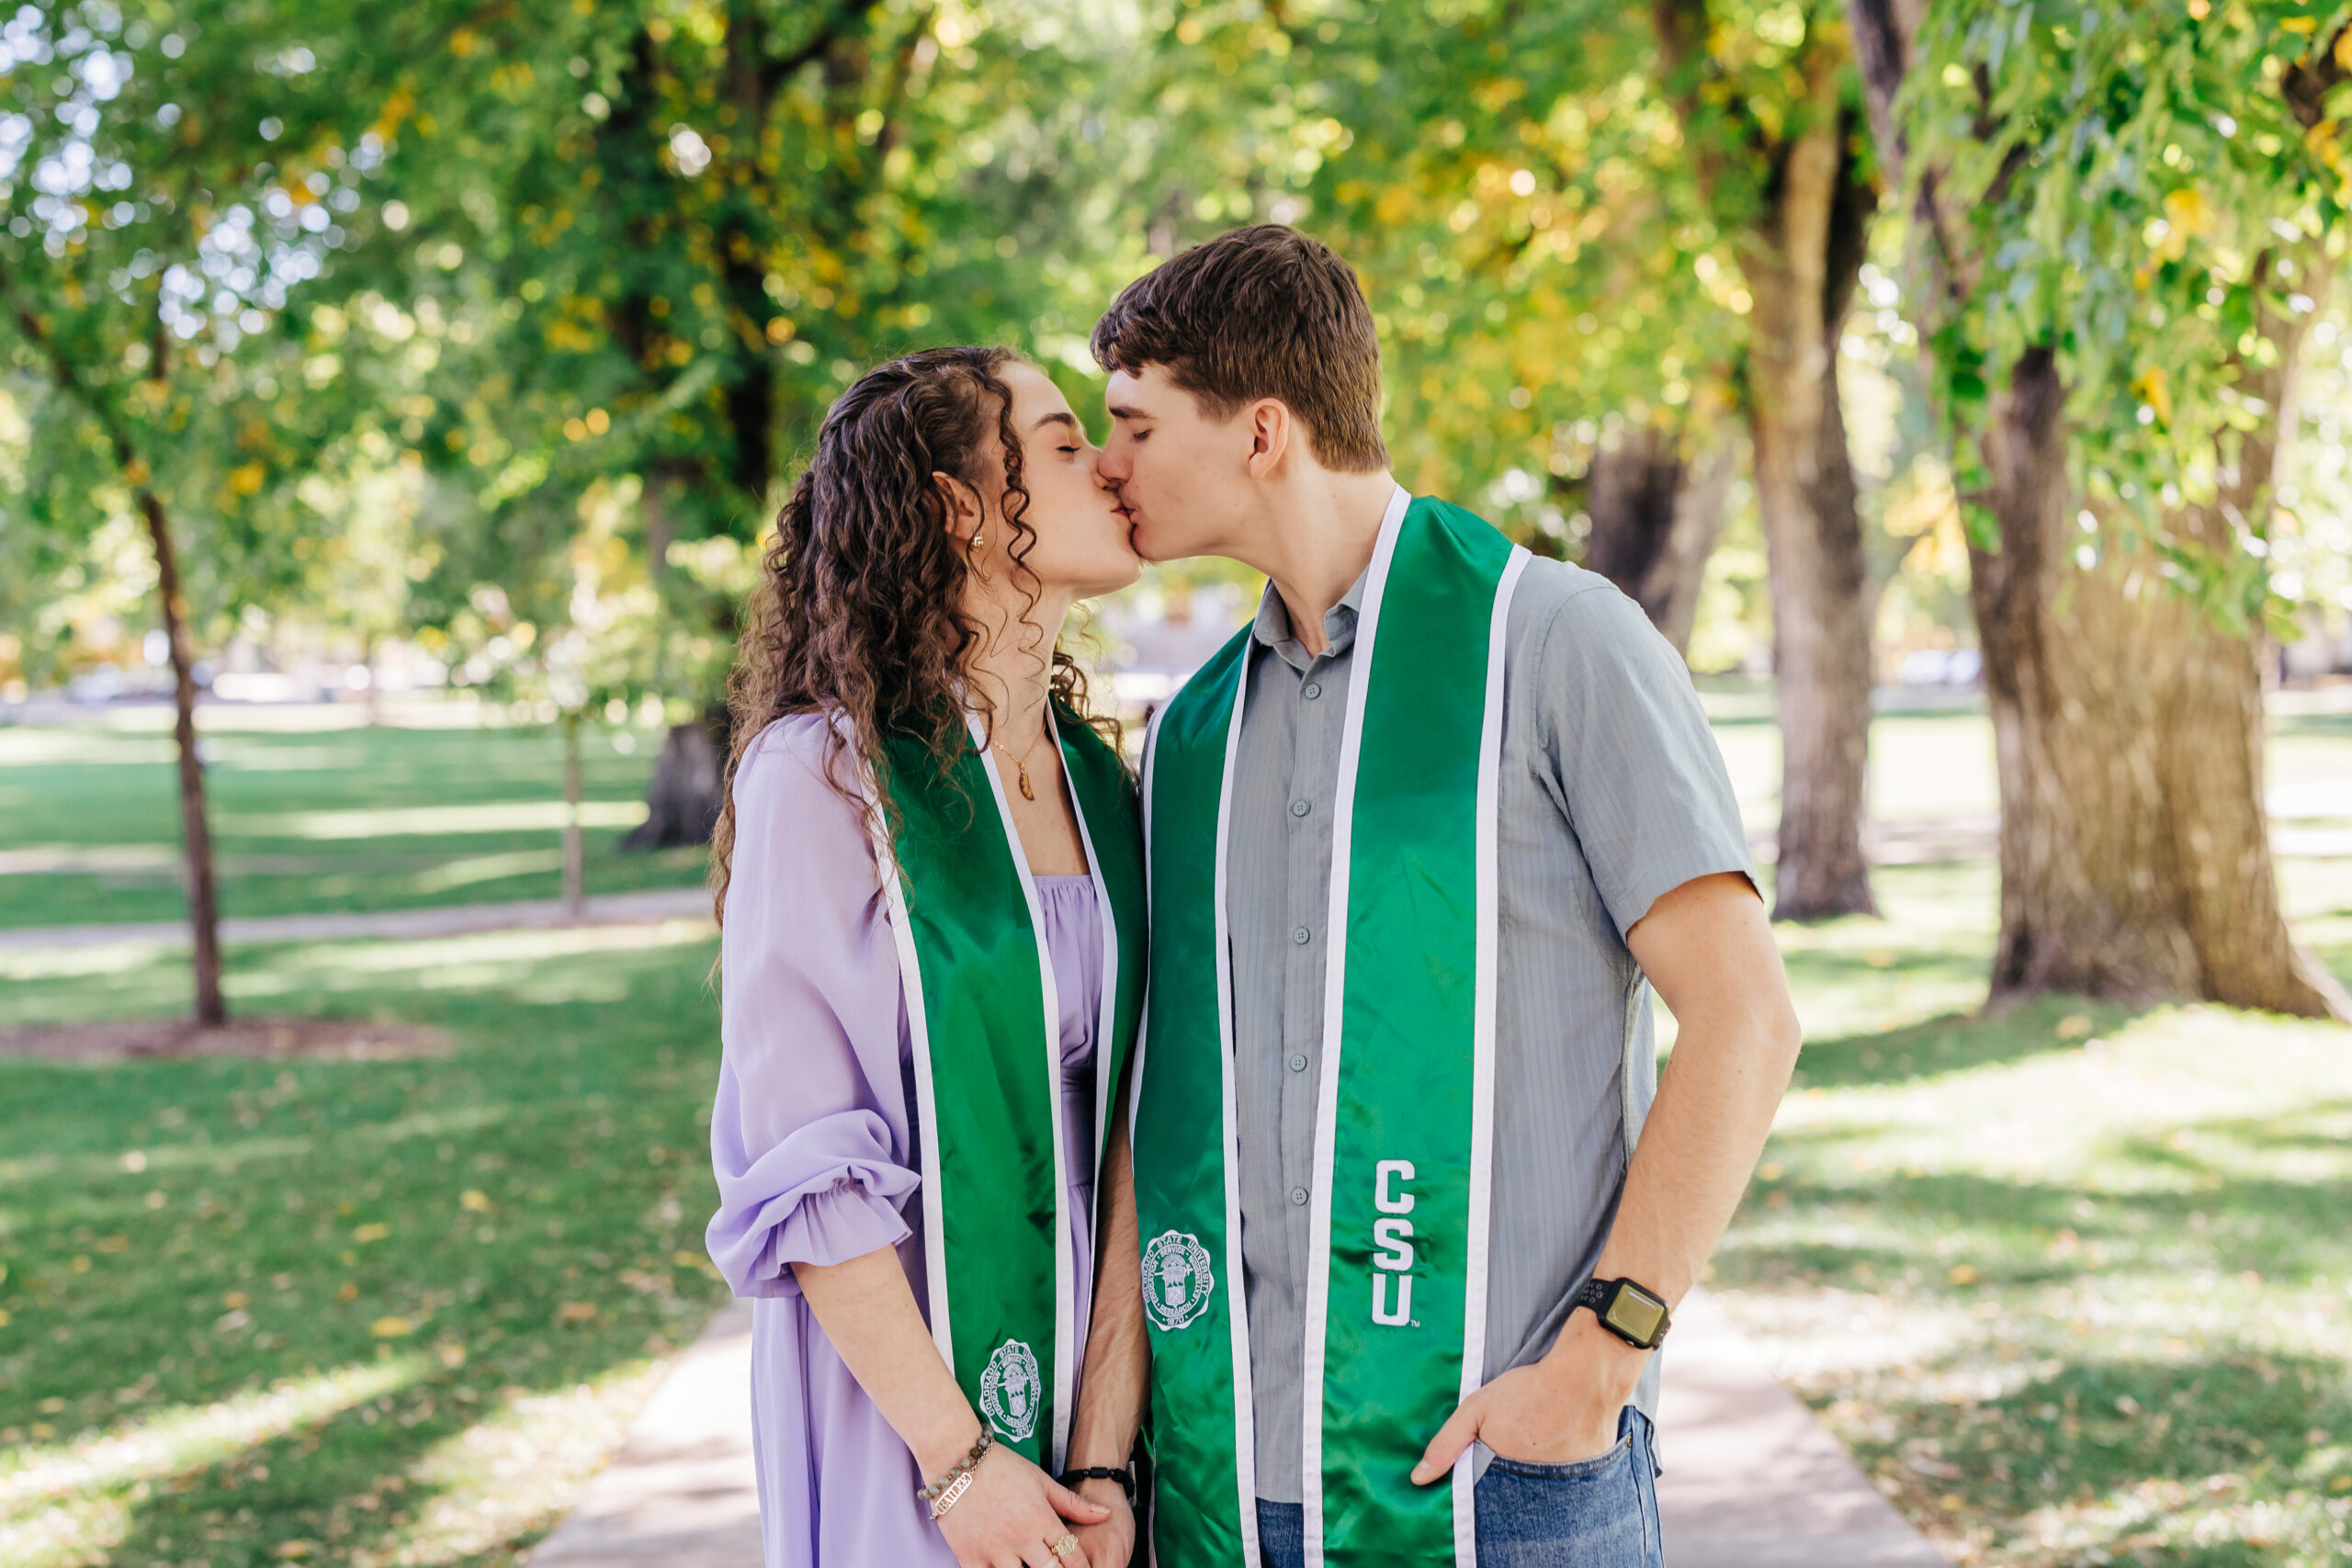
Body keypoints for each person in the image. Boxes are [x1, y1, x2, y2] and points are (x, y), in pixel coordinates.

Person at [1083, 227, 1805, 1567]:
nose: (1103, 464)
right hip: (1225, 1491)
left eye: (1131, 421)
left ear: (1259, 433)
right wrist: (1103, 1451)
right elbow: (1154, 1114)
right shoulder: (1191, 740)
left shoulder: (1558, 643)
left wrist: (1600, 1364)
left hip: (1505, 1474)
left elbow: (1747, 1020)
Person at [704, 345, 1152, 1568]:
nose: (1112, 466)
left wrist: (1107, 1457)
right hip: (903, 1410)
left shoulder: (1107, 786)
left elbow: (1136, 1136)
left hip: (1097, 1401)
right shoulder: (826, 783)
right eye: (1064, 446)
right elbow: (806, 1167)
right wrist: (958, 1466)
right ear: (962, 507)